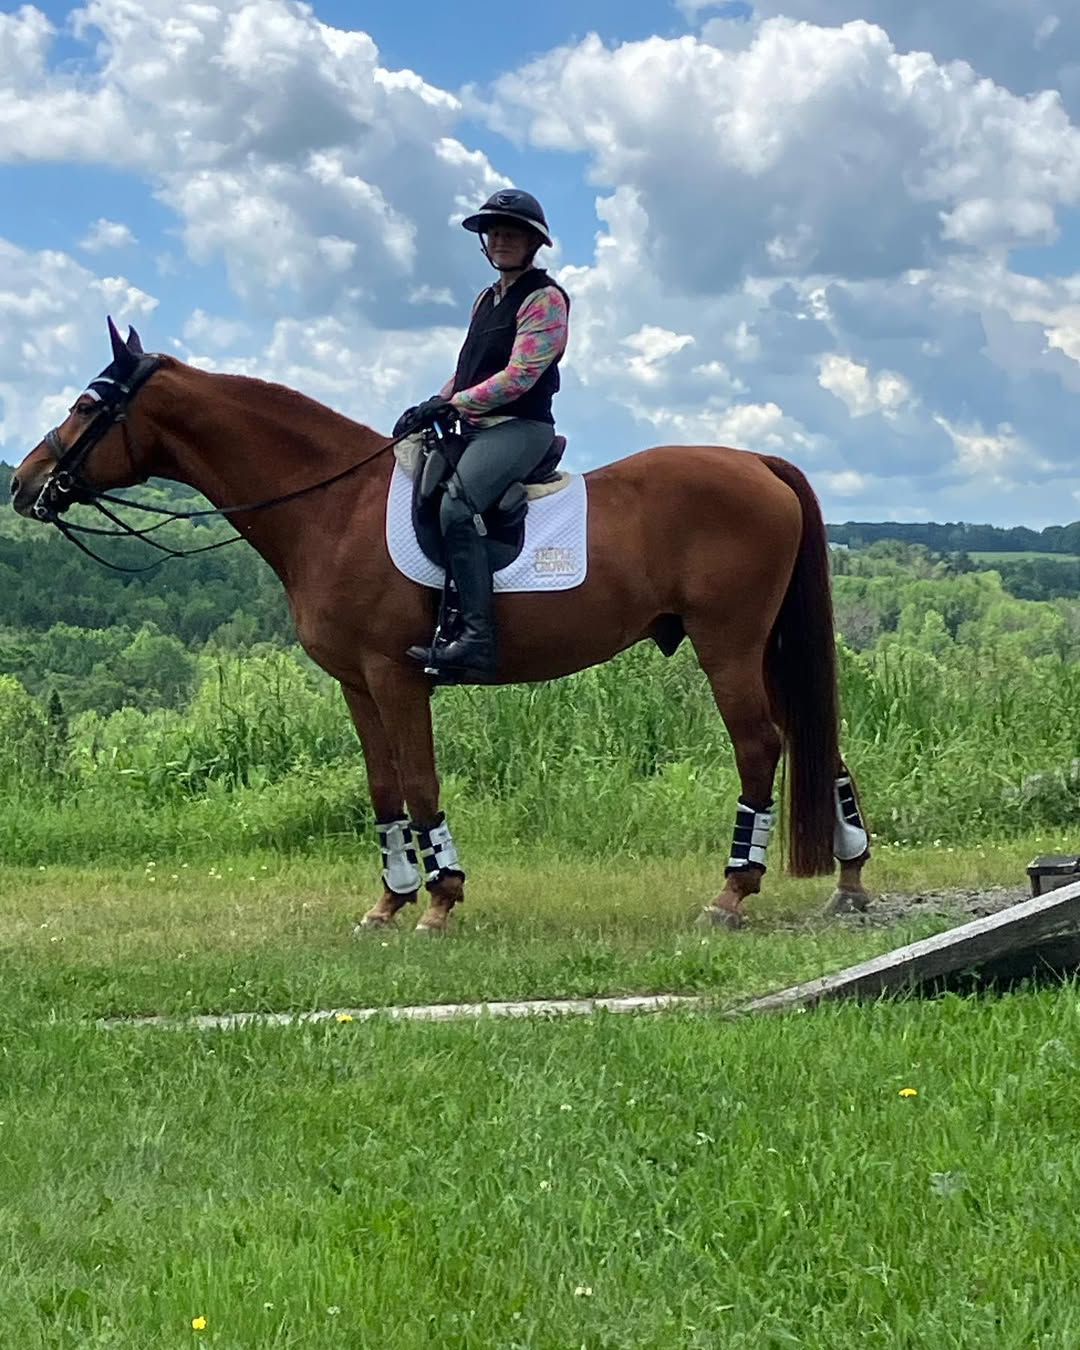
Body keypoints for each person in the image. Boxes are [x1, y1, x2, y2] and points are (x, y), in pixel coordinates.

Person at [396, 188, 571, 681]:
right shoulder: (485, 300)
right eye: (494, 231)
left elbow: (521, 375)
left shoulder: (545, 299)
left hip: (520, 426)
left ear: (533, 242)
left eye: (511, 232)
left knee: (456, 505)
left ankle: (477, 639)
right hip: (473, 423)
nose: (500, 239)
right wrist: (433, 401)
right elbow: (468, 369)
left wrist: (454, 404)